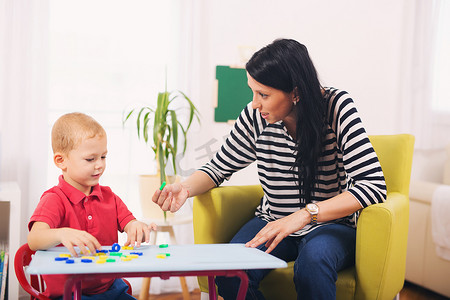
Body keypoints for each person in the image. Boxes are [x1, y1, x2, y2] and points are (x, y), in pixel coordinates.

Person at [152, 39, 387, 299]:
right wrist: (184, 188)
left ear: (296, 92)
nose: (254, 103)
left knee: (313, 264)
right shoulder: (255, 117)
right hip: (271, 220)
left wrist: (304, 215)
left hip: (330, 225)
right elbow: (218, 167)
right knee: (230, 271)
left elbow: (372, 185)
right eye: (253, 92)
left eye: (263, 95)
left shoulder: (336, 107)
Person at [28, 112, 157, 300]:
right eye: (91, 159)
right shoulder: (54, 199)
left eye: (103, 157)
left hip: (111, 288)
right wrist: (61, 233)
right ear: (61, 161)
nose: (99, 165)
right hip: (69, 293)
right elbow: (34, 239)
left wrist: (137, 226)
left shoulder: (109, 197)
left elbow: (129, 223)